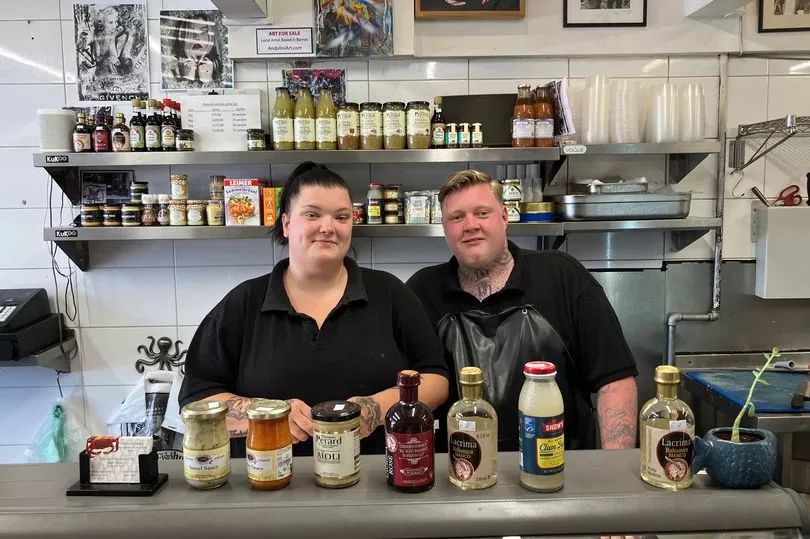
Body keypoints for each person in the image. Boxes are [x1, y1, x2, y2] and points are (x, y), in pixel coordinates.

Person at [178, 163, 449, 457]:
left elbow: (436, 379)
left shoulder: (390, 293)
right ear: (286, 223)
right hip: (266, 484)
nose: (328, 227)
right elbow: (196, 401)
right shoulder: (244, 302)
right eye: (312, 214)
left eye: (341, 217)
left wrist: (373, 409)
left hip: (374, 482)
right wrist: (270, 413)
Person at [407, 170, 638, 452]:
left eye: (482, 213)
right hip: (459, 470)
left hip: (559, 469)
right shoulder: (421, 290)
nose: (470, 225)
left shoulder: (561, 275)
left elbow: (614, 379)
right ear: (444, 226)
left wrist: (612, 467)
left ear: (504, 217)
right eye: (457, 217)